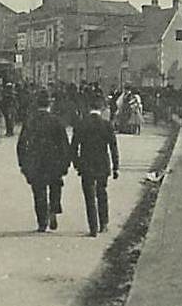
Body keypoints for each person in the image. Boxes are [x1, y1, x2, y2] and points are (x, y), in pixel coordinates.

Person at [16, 89, 73, 233]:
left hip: (36, 163)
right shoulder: (57, 122)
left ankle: (42, 222)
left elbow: (21, 144)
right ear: (50, 105)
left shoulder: (30, 121)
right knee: (55, 187)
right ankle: (53, 210)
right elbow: (64, 144)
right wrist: (65, 163)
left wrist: (23, 163)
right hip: (54, 162)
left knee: (39, 192)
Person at [71, 95, 120, 237]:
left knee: (89, 196)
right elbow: (113, 147)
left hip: (86, 165)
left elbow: (74, 147)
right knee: (102, 193)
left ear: (88, 108)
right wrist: (115, 166)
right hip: (102, 164)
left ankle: (93, 227)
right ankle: (104, 223)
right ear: (102, 108)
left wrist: (77, 164)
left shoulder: (81, 124)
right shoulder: (106, 125)